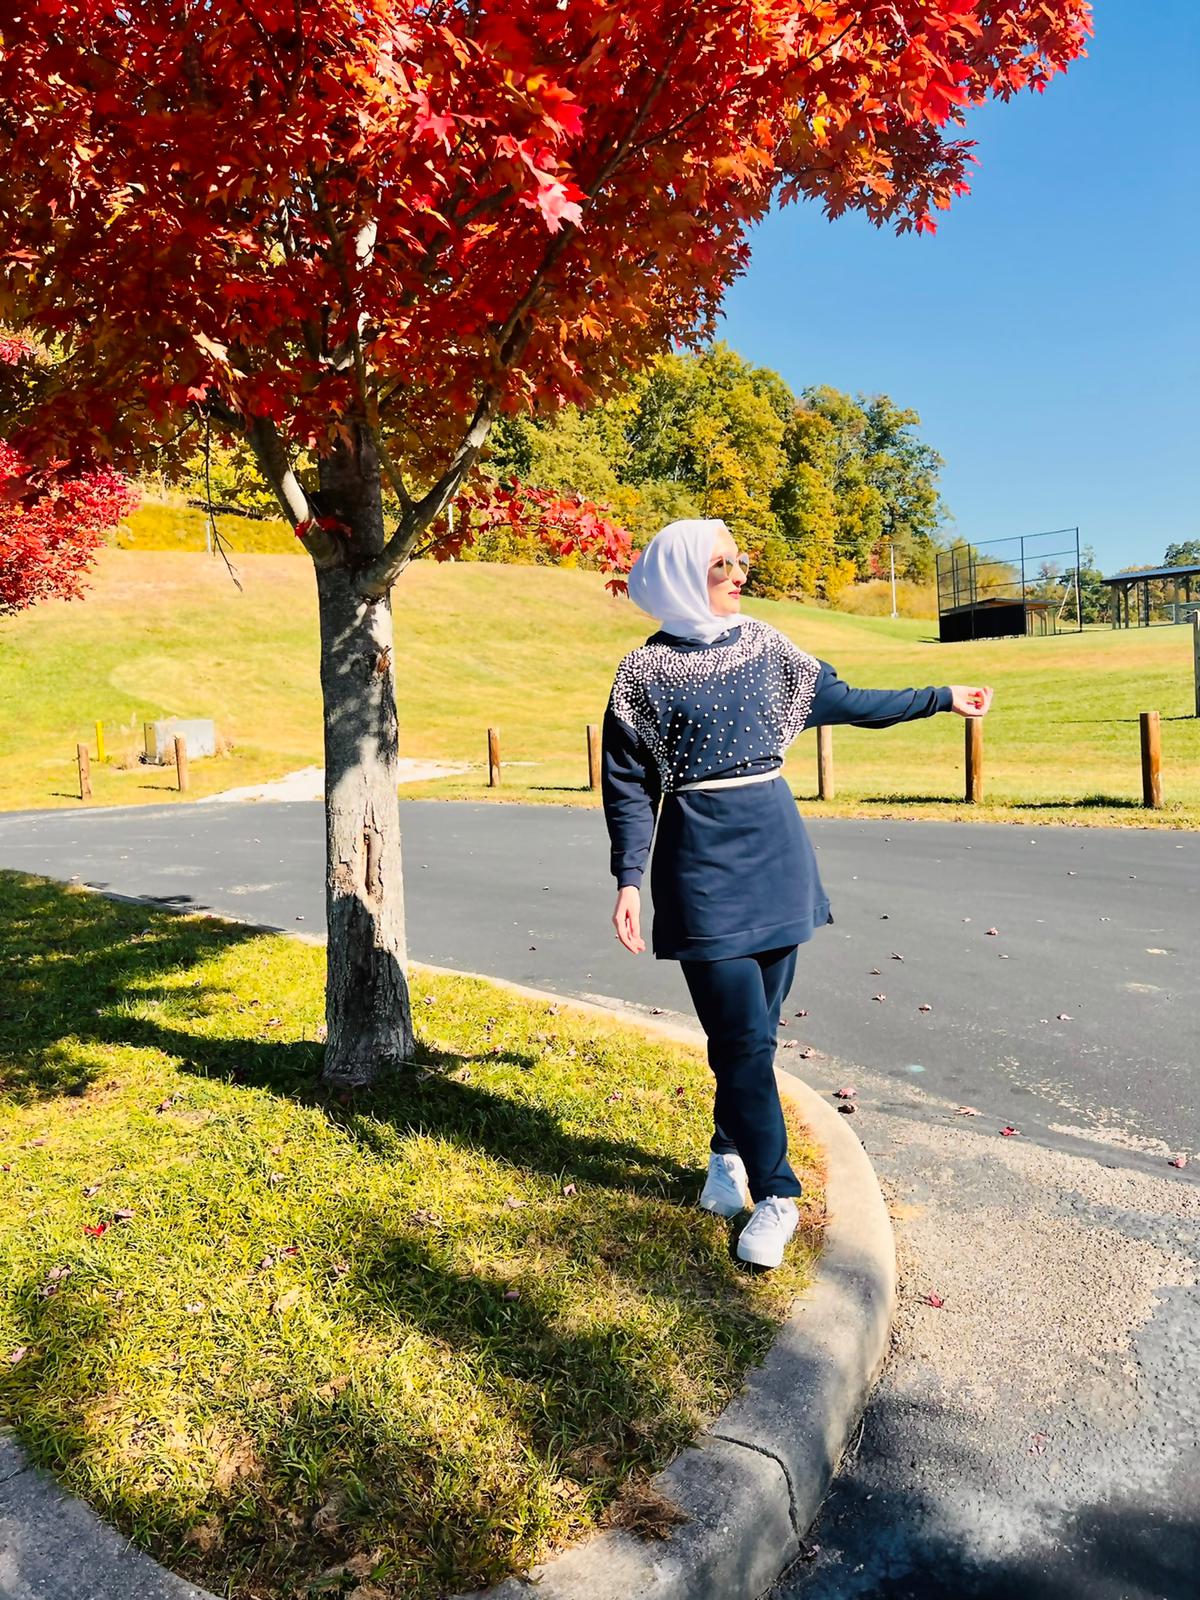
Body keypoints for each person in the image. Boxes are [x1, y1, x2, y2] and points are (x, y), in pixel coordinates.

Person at [601, 518, 993, 1269]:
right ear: (685, 572)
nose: (739, 574)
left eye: (739, 561)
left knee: (757, 1034)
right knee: (740, 1039)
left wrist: (941, 697)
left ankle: (726, 1154)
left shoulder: (767, 646)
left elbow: (848, 701)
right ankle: (778, 1195)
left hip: (778, 858)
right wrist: (627, 877)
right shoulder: (640, 675)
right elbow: (627, 786)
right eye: (723, 565)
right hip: (700, 868)